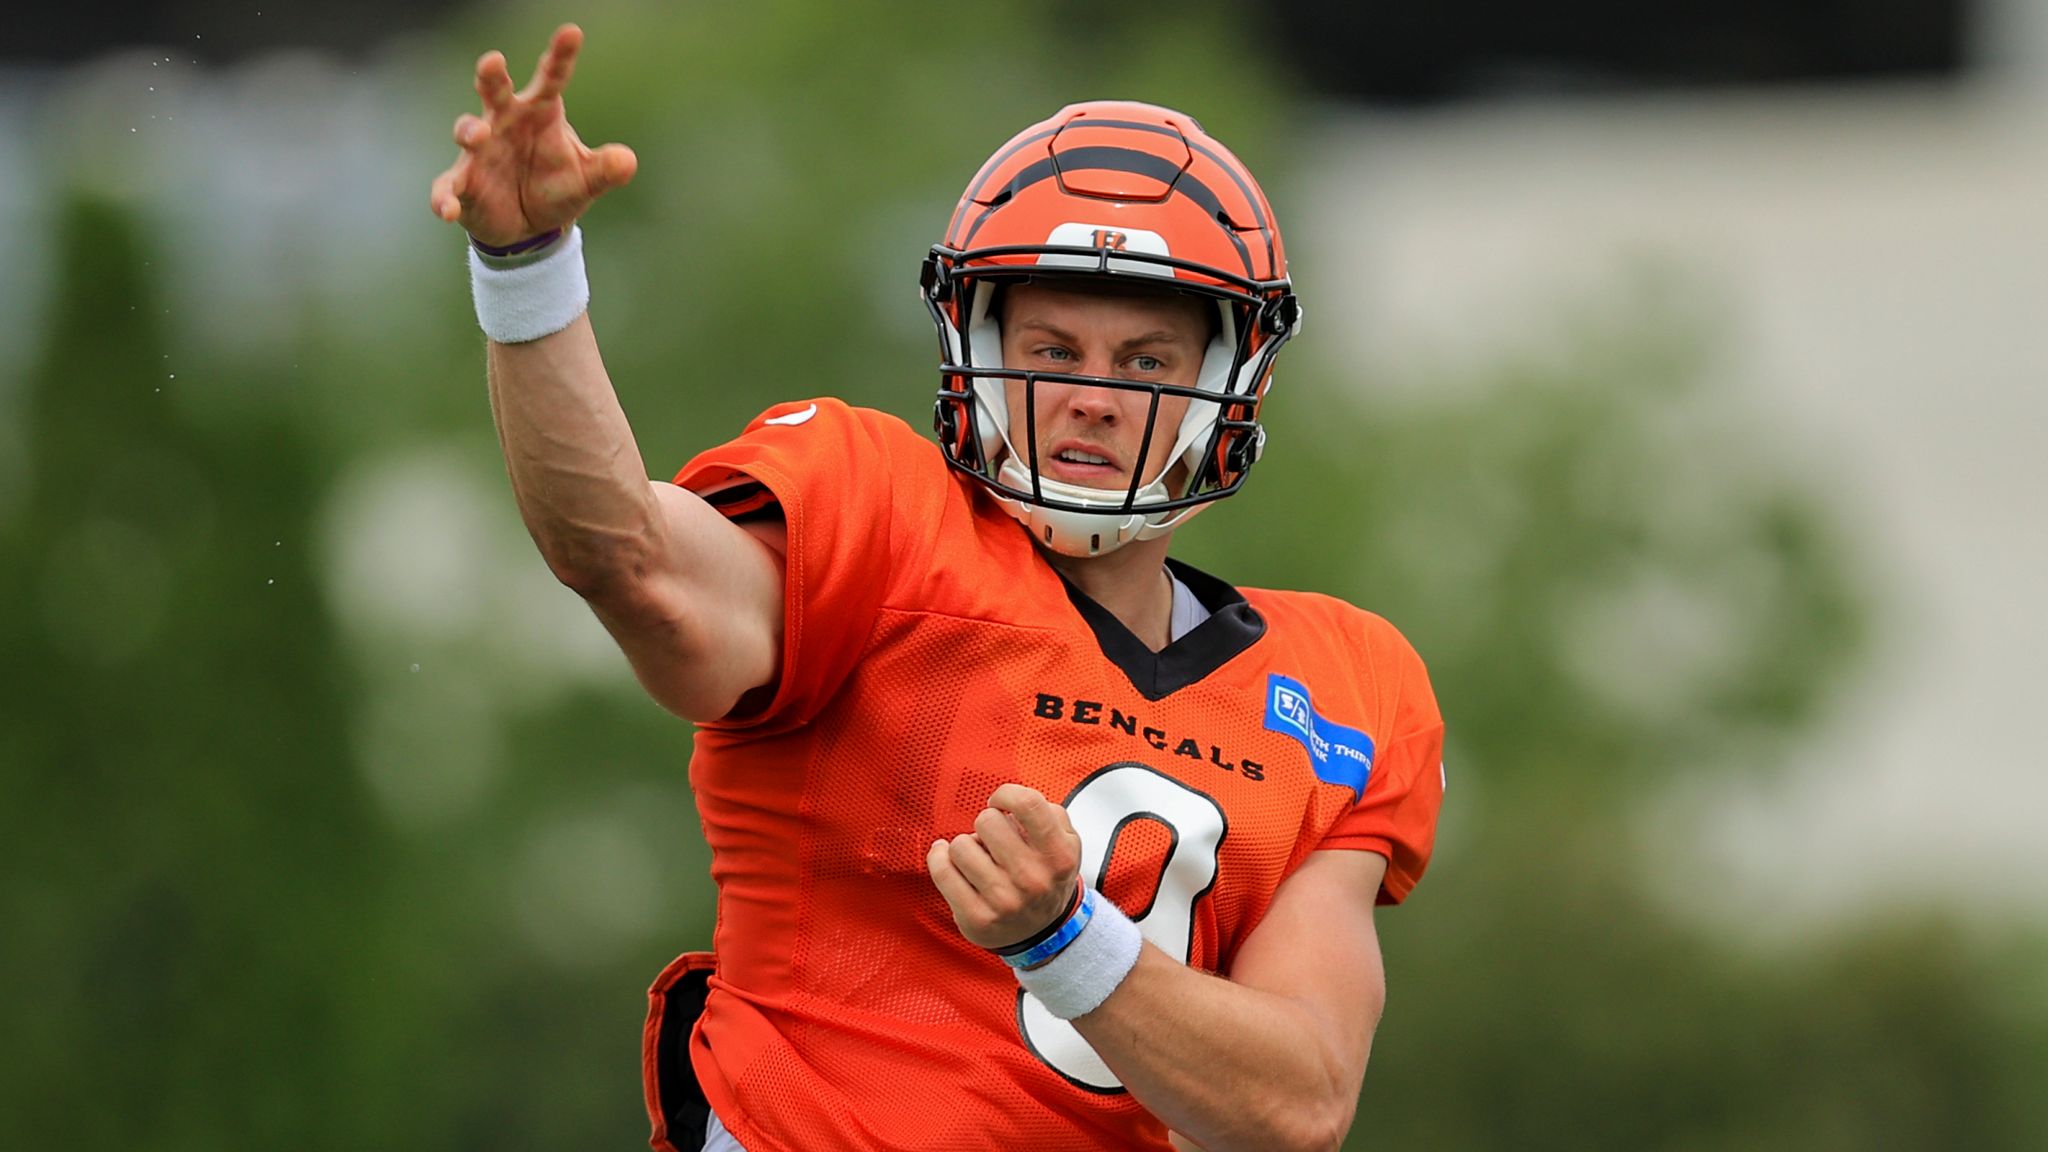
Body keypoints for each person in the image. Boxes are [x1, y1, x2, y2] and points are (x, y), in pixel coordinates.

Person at [431, 24, 1445, 1152]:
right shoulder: (877, 514)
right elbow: (624, 556)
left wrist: (1070, 943)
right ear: (976, 347)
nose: (1092, 399)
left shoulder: (1344, 686)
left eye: (1145, 363)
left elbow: (1294, 1106)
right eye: (1053, 352)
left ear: (1228, 384)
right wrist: (527, 273)